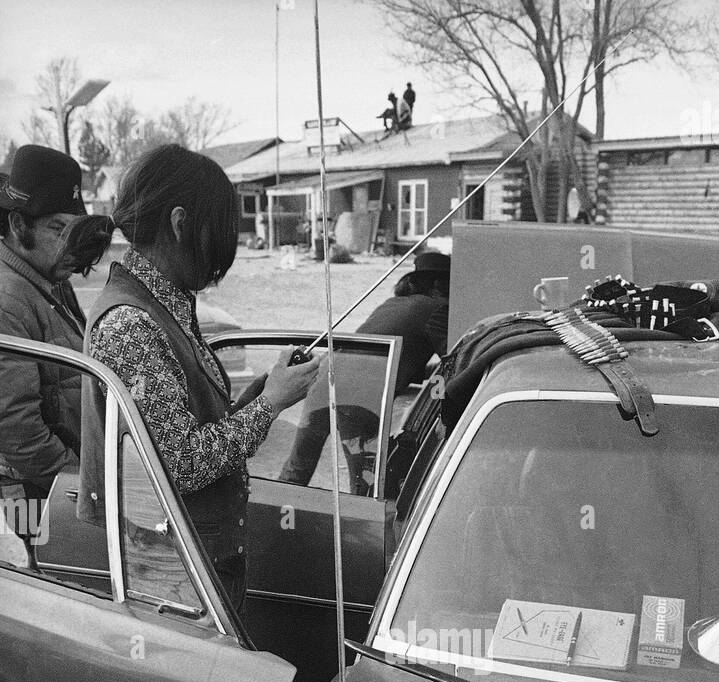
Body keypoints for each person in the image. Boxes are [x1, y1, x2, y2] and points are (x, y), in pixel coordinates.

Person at [80, 144, 318, 613]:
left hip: (198, 558)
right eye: (218, 233)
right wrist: (270, 405)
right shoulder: (132, 323)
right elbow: (180, 464)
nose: (220, 257)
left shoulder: (162, 301)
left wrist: (263, 392)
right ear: (179, 223)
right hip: (176, 572)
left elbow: (188, 424)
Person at [281, 250, 450, 489]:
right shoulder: (437, 308)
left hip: (326, 374)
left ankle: (271, 520)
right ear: (438, 285)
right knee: (365, 481)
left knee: (297, 469)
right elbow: (454, 356)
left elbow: (402, 358)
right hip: (359, 393)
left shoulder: (393, 303)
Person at [0, 145, 88, 559]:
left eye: (76, 229)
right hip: (35, 491)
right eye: (58, 228)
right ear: (18, 225)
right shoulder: (7, 299)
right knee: (58, 589)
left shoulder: (52, 279)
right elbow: (19, 433)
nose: (71, 245)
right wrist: (84, 485)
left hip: (63, 481)